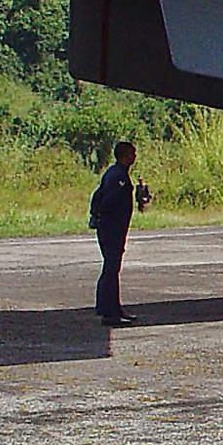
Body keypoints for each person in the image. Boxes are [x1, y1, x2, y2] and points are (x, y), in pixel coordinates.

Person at [88, 140, 149, 326]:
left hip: (112, 228)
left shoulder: (115, 174)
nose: (135, 157)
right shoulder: (118, 177)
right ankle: (110, 313)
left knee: (111, 268)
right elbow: (108, 201)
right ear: (125, 156)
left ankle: (111, 307)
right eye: (132, 154)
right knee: (111, 269)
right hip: (112, 229)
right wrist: (109, 221)